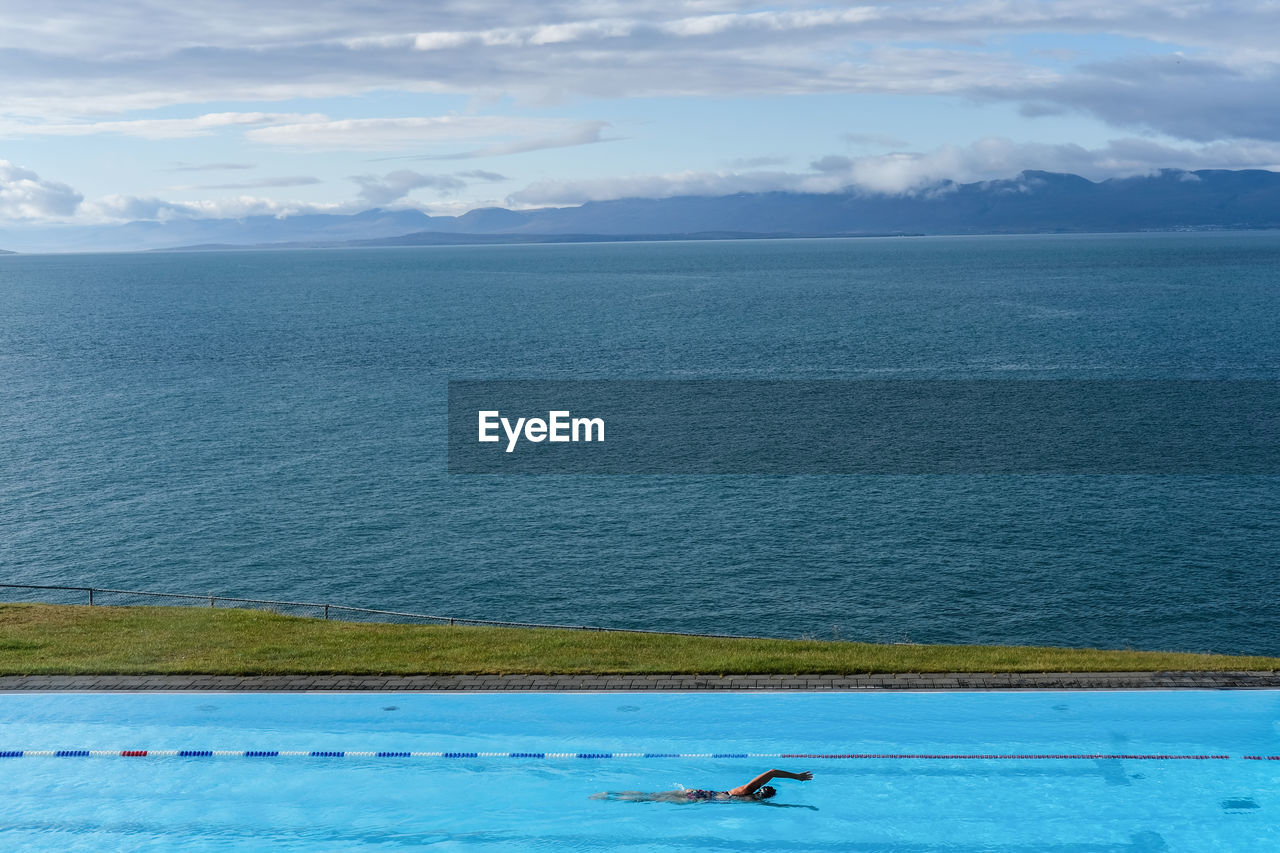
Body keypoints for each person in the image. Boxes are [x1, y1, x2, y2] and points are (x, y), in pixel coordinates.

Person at [591, 768, 813, 804]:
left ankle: (611, 793)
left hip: (700, 792)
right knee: (651, 799)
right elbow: (772, 772)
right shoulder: (747, 793)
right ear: (761, 794)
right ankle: (610, 797)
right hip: (699, 797)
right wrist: (798, 777)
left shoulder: (749, 797)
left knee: (652, 795)